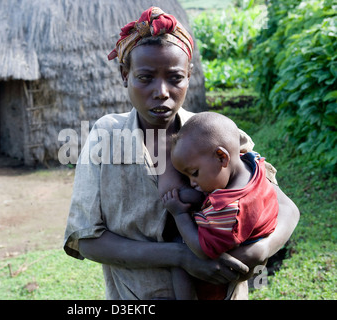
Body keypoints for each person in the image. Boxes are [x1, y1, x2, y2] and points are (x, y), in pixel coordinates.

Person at [63, 6, 299, 300]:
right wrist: (180, 255)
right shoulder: (105, 138)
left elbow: (287, 208)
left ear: (189, 75)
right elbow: (86, 238)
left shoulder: (213, 132)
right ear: (126, 75)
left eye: (175, 78)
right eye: (145, 77)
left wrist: (261, 249)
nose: (161, 91)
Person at [162, 112, 279, 299]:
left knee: (179, 253)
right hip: (239, 232)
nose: (192, 182)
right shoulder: (252, 164)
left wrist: (179, 215)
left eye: (194, 173)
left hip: (219, 276)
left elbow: (202, 250)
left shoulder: (229, 209)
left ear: (221, 157)